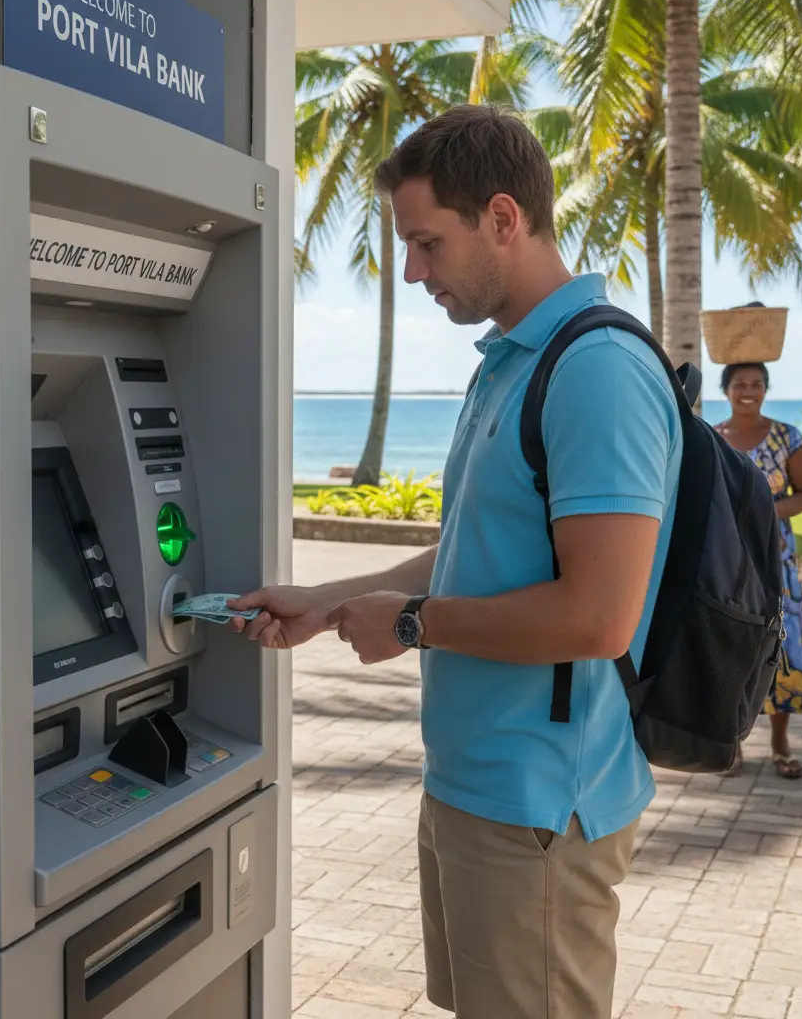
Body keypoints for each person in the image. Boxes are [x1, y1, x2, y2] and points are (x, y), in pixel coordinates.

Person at [230, 104, 683, 1018]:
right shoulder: (511, 361)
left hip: (540, 810)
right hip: (477, 791)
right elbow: (473, 553)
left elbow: (599, 616)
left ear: (504, 219)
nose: (411, 271)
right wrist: (325, 601)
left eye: (428, 243)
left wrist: (409, 624)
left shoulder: (594, 367)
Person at [714, 360, 802, 779]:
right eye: (740, 384)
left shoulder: (788, 438)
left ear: (766, 388)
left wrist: (761, 512)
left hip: (779, 566)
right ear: (727, 390)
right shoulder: (714, 439)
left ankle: (780, 742)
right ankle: (730, 745)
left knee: (785, 649)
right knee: (728, 645)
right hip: (726, 564)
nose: (748, 390)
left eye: (757, 384)